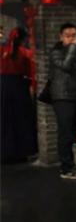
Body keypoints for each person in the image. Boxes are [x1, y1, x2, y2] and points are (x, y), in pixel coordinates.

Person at [50, 23, 76, 179]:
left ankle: (70, 163)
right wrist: (73, 48)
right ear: (61, 37)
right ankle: (65, 167)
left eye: (74, 35)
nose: (71, 39)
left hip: (73, 96)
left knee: (71, 133)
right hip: (62, 97)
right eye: (67, 35)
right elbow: (65, 65)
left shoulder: (75, 52)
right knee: (65, 133)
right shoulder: (56, 52)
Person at [0, 27, 37, 163]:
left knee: (4, 120)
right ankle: (21, 151)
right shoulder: (25, 53)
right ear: (23, 40)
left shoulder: (2, 50)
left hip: (3, 86)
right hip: (18, 88)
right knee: (20, 119)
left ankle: (4, 151)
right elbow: (30, 71)